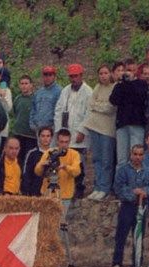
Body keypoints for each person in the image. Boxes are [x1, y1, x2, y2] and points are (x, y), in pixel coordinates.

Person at [111, 144, 149, 267]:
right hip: (127, 206)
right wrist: (133, 193)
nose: (137, 157)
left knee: (139, 236)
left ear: (143, 156)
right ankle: (116, 264)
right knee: (121, 236)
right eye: (135, 154)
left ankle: (137, 265)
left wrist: (144, 192)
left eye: (140, 154)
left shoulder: (148, 171)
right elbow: (118, 188)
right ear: (131, 155)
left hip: (141, 207)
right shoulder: (123, 170)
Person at [54, 63, 92, 198]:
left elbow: (89, 113)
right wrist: (59, 130)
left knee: (78, 163)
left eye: (76, 76)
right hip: (65, 133)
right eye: (71, 76)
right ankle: (65, 188)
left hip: (79, 135)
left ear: (81, 76)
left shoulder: (88, 92)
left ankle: (79, 188)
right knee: (64, 162)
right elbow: (59, 110)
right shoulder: (65, 90)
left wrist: (82, 130)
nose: (73, 79)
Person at [111, 63, 149, 167]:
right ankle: (120, 182)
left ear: (136, 72)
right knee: (121, 159)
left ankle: (135, 182)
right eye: (128, 70)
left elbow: (140, 97)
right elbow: (113, 100)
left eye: (133, 70)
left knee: (136, 158)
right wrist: (122, 83)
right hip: (122, 124)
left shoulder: (141, 84)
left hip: (137, 124)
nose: (130, 72)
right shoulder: (120, 85)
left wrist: (131, 82)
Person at [84, 65, 117, 200]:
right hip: (94, 126)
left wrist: (98, 105)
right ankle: (97, 186)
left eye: (106, 73)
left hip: (107, 129)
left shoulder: (114, 88)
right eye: (101, 73)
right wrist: (100, 105)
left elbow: (111, 108)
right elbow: (90, 103)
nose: (103, 76)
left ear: (110, 74)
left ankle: (104, 187)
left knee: (106, 160)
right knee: (96, 158)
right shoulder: (97, 87)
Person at [35, 128, 82, 209]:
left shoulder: (74, 154)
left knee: (61, 220)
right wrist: (43, 165)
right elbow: (37, 172)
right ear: (57, 141)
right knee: (46, 219)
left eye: (66, 142)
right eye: (61, 142)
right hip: (48, 193)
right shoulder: (50, 152)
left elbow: (76, 171)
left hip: (65, 195)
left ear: (69, 141)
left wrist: (65, 167)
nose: (64, 144)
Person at [11, 76, 38, 166]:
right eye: (22, 84)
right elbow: (15, 113)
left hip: (31, 135)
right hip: (18, 133)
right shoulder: (17, 99)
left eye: (26, 83)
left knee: (29, 159)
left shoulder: (36, 99)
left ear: (31, 85)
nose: (24, 86)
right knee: (18, 158)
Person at [21, 126, 53, 196]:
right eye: (43, 136)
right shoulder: (31, 153)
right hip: (33, 192)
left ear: (51, 138)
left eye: (48, 136)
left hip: (50, 192)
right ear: (39, 137)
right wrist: (26, 192)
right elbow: (26, 173)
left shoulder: (55, 153)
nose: (45, 139)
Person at [30, 66, 61, 138]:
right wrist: (32, 124)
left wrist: (55, 127)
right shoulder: (39, 92)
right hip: (38, 129)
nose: (47, 77)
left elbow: (60, 111)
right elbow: (33, 109)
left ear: (54, 76)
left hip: (51, 130)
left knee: (51, 149)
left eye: (50, 75)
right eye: (45, 75)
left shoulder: (59, 91)